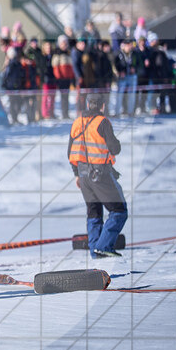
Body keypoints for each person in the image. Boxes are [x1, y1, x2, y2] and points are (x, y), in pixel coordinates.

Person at [68, 93, 126, 258]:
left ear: (87, 105)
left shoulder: (77, 122)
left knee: (93, 212)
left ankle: (96, 250)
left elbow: (70, 152)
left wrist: (77, 174)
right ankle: (104, 246)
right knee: (119, 211)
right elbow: (114, 149)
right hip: (100, 174)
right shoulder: (103, 122)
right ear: (102, 106)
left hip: (83, 176)